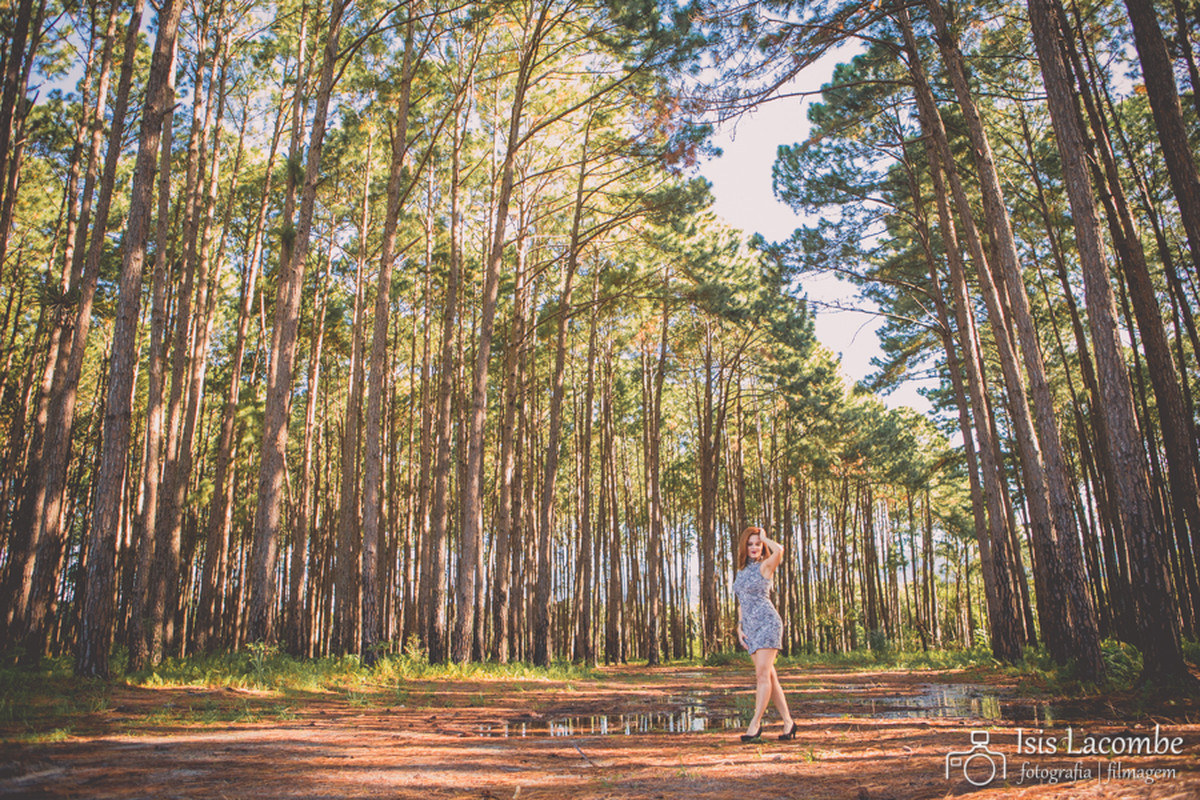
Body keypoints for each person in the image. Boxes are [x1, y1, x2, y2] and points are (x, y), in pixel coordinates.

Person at [732, 525, 796, 742]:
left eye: (757, 544)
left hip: (768, 624)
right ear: (744, 546)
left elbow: (779, 550)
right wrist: (740, 627)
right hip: (749, 629)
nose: (754, 548)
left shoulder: (766, 566)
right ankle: (788, 722)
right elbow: (741, 602)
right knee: (769, 676)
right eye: (750, 544)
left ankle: (755, 724)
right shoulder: (741, 571)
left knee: (761, 675)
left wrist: (764, 537)